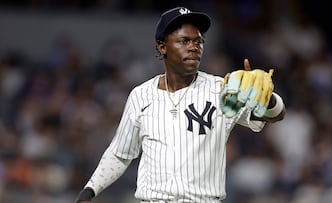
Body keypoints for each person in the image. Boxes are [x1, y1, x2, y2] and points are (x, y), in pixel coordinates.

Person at [75, 7, 285, 203]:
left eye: (198, 41)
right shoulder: (141, 95)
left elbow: (274, 115)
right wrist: (90, 189)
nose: (194, 47)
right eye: (184, 41)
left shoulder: (222, 89)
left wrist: (268, 99)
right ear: (163, 46)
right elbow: (120, 154)